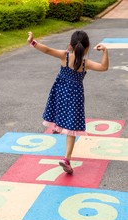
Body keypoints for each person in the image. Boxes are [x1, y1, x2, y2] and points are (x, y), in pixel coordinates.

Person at [27, 30, 109, 175]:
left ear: (70, 45)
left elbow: (46, 49)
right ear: (88, 48)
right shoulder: (85, 63)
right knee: (71, 128)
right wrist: (105, 52)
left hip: (60, 91)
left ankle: (58, 126)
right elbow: (104, 67)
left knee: (59, 108)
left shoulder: (64, 55)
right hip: (75, 96)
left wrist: (32, 41)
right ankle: (67, 159)